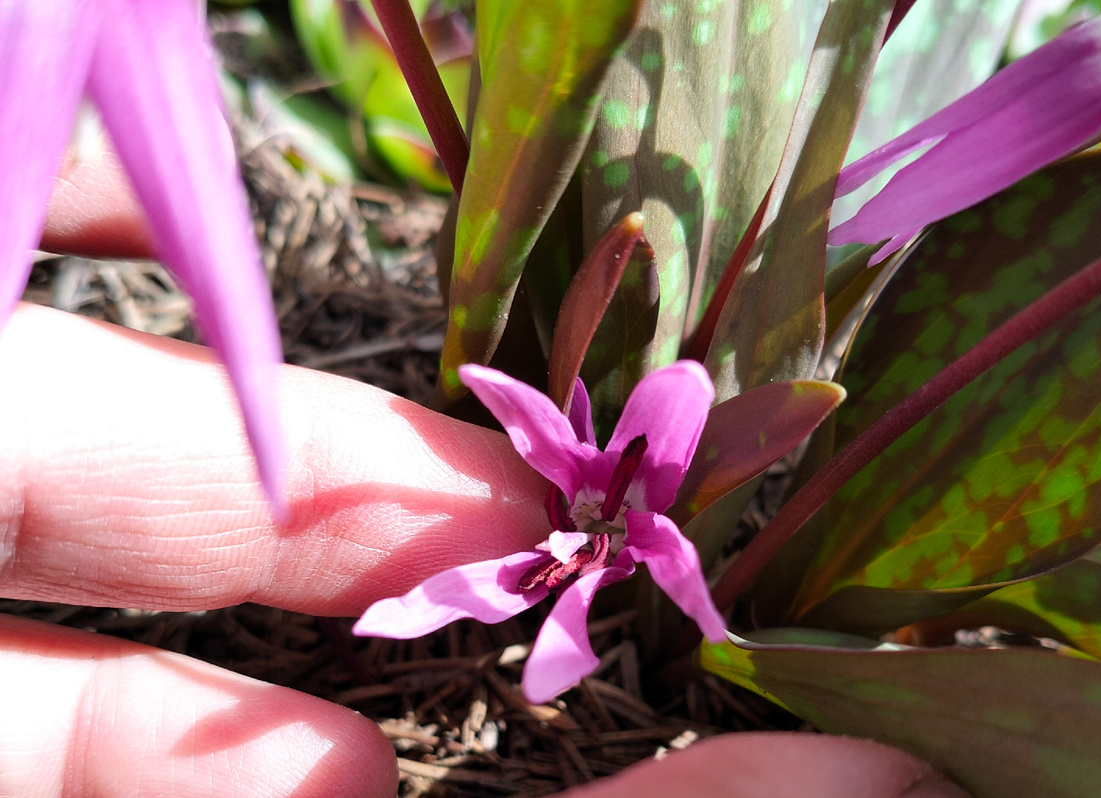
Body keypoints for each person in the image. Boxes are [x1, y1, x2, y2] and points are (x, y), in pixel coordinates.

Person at [0, 152, 967, 798]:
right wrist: (575, 489)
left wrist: (681, 594)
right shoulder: (591, 510)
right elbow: (530, 414)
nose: (589, 530)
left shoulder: (635, 526)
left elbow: (653, 445)